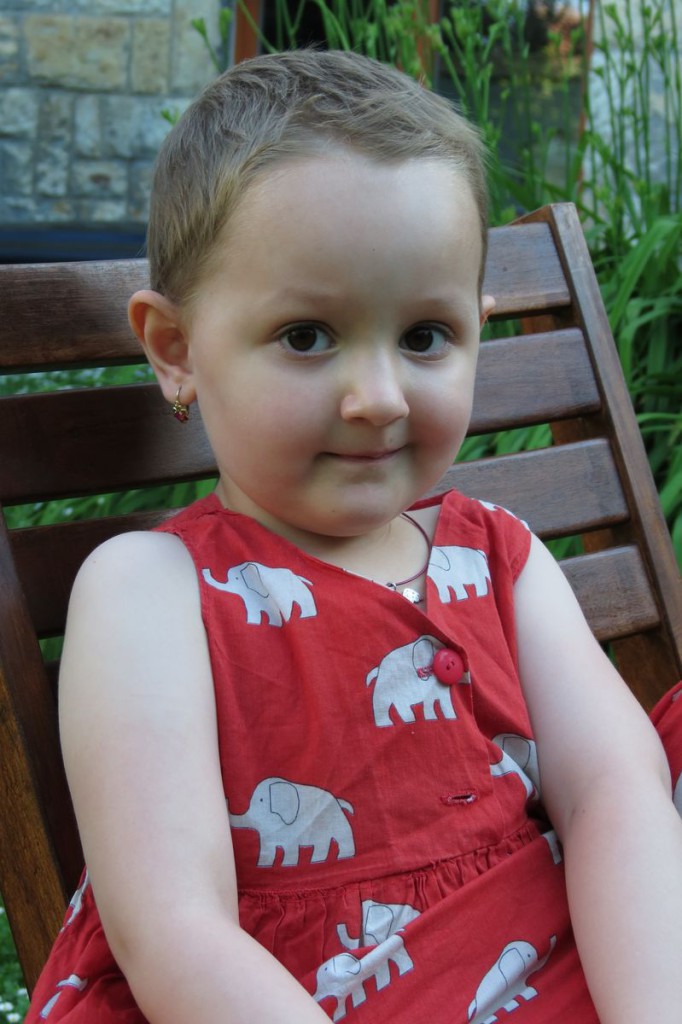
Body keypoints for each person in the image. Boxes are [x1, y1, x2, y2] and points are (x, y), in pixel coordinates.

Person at [26, 49, 682, 1024]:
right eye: (306, 335)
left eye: (424, 337)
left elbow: (612, 793)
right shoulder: (149, 592)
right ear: (176, 349)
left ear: (476, 331)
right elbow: (174, 929)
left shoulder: (499, 558)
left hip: (579, 967)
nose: (378, 398)